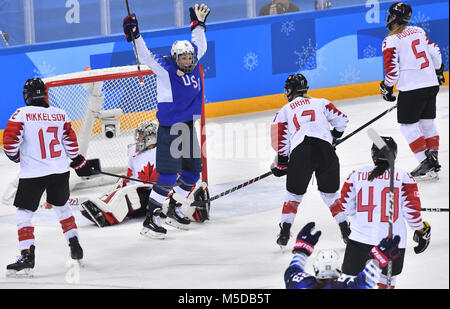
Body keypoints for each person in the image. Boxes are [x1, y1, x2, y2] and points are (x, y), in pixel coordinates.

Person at [123, 3, 210, 239]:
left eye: (189, 57)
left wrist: (198, 25)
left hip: (188, 127)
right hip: (171, 129)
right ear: (174, 58)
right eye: (183, 57)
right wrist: (136, 34)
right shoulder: (165, 70)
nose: (188, 60)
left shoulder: (194, 65)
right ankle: (152, 218)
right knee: (169, 176)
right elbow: (145, 56)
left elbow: (200, 45)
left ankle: (173, 207)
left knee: (193, 173)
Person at [2, 78, 94, 277]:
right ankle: (74, 243)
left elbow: (9, 143)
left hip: (33, 173)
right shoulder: (60, 114)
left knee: (24, 213)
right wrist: (78, 162)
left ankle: (27, 255)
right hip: (60, 171)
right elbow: (70, 143)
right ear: (45, 94)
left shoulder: (21, 114)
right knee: (63, 208)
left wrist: (18, 156)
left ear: (27, 96)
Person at [331, 136, 431, 289]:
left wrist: (360, 211)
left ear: (373, 154)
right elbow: (412, 214)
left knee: (350, 284)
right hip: (392, 243)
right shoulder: (404, 177)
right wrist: (422, 231)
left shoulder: (356, 174)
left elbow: (343, 207)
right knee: (385, 284)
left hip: (359, 241)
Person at [79, 120, 210, 227]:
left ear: (150, 137)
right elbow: (130, 177)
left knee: (134, 195)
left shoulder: (165, 150)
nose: (138, 138)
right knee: (126, 190)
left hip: (162, 193)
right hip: (144, 195)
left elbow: (181, 172)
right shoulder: (134, 153)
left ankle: (106, 214)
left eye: (141, 135)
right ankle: (104, 210)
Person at [270, 73, 349, 247]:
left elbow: (279, 140)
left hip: (301, 152)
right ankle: (345, 230)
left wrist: (281, 164)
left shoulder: (285, 110)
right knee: (331, 196)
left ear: (290, 91)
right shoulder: (321, 102)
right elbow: (342, 121)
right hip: (326, 152)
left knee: (293, 196)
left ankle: (284, 232)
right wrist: (333, 139)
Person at [380, 2, 444, 180]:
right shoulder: (418, 31)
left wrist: (386, 87)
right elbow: (435, 52)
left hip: (411, 88)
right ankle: (433, 158)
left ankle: (426, 162)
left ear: (393, 18)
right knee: (427, 124)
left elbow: (392, 72)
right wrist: (438, 71)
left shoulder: (390, 40)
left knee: (408, 127)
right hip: (431, 84)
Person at [284, 222, 402, 289]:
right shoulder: (343, 285)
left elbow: (292, 271)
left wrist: (301, 250)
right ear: (338, 269)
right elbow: (365, 282)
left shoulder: (298, 283)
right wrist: (378, 258)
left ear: (316, 269)